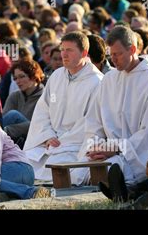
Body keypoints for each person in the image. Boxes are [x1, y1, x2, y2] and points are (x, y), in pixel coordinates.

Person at [79, 26, 148, 186]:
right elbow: (94, 122)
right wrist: (97, 146)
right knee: (78, 171)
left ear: (133, 49)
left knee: (112, 171)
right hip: (107, 152)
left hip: (136, 155)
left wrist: (117, 147)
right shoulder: (109, 79)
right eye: (111, 54)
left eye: (118, 54)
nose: (113, 59)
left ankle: (125, 185)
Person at [23, 32, 103, 181]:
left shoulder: (97, 83)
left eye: (69, 50)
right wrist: (47, 136)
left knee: (63, 167)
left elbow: (93, 122)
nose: (63, 55)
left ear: (84, 53)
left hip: (74, 145)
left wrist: (63, 142)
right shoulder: (56, 76)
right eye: (62, 49)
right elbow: (43, 110)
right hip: (50, 142)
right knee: (23, 162)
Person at [2, 60, 44, 146]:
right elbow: (5, 119)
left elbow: (40, 126)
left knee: (13, 115)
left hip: (37, 138)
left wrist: (7, 130)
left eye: (21, 77)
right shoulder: (14, 96)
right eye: (15, 78)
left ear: (33, 76)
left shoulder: (45, 96)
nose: (17, 81)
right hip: (15, 140)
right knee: (12, 115)